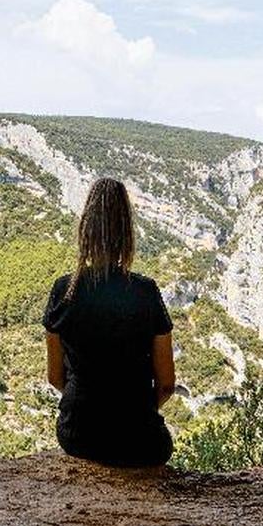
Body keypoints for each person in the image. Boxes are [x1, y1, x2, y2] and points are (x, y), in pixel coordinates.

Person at [39, 177, 177, 469]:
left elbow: (55, 377)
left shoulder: (64, 290)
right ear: (126, 233)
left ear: (85, 229)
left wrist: (92, 400)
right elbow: (166, 385)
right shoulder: (145, 292)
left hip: (78, 435)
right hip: (140, 440)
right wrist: (131, 412)